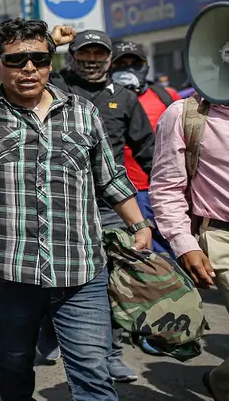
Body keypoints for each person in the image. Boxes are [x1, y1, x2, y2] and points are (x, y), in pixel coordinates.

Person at [0, 18, 150, 401]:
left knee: (92, 372)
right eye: (16, 60)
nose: (28, 69)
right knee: (15, 365)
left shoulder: (83, 112)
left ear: (50, 63)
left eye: (38, 59)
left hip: (81, 270)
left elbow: (109, 175)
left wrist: (139, 223)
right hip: (12, 272)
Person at [44, 28, 155, 381]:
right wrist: (53, 40)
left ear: (109, 59)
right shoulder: (55, 87)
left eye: (99, 55)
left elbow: (147, 151)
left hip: (110, 206)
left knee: (110, 282)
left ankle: (111, 354)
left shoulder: (123, 97)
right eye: (84, 54)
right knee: (54, 276)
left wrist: (176, 196)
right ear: (71, 57)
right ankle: (49, 330)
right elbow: (26, 62)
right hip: (60, 203)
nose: (91, 62)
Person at [150, 94, 229, 398]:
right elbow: (167, 188)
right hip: (221, 237)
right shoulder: (185, 114)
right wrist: (184, 244)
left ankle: (222, 381)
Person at [109, 40, 180, 256]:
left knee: (172, 245)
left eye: (134, 63)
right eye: (121, 64)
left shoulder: (165, 96)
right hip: (123, 193)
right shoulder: (104, 99)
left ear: (145, 66)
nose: (128, 68)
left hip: (161, 187)